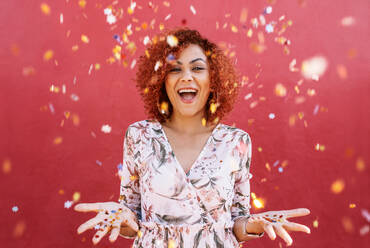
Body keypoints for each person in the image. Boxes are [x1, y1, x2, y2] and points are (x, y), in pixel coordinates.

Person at [74, 27, 311, 247]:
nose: (186, 76)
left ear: (213, 80)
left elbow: (236, 222)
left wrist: (256, 225)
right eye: (175, 69)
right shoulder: (139, 135)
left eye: (197, 68)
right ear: (161, 80)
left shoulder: (236, 141)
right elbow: (131, 219)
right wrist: (123, 217)